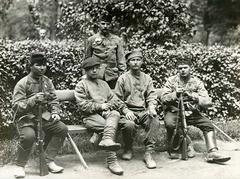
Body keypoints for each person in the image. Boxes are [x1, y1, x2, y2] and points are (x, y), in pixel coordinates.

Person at [161, 58, 231, 163]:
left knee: (207, 124)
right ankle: (188, 144)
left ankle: (212, 152)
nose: (183, 70)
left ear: (190, 68)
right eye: (180, 68)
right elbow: (163, 98)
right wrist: (175, 94)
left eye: (185, 67)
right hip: (175, 111)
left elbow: (207, 102)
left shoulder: (197, 81)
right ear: (177, 69)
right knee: (170, 123)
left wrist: (193, 96)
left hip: (191, 112)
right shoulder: (171, 81)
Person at [12, 52, 68, 178]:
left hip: (42, 116)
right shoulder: (23, 83)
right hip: (25, 118)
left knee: (62, 128)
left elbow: (54, 99)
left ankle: (49, 160)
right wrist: (33, 100)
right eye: (38, 65)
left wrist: (55, 112)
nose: (42, 68)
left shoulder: (47, 82)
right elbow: (16, 106)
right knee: (28, 136)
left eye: (44, 65)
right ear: (31, 66)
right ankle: (20, 166)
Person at [74, 56, 124, 175]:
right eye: (91, 69)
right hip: (90, 117)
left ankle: (105, 139)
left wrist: (108, 107)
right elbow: (83, 106)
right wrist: (101, 107)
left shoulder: (103, 84)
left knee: (115, 114)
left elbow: (114, 99)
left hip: (105, 115)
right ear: (85, 70)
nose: (95, 71)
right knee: (108, 126)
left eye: (97, 68)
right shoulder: (81, 85)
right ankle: (112, 161)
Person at [114, 49, 160, 169]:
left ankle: (149, 153)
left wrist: (151, 106)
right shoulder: (122, 78)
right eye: (132, 60)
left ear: (142, 62)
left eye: (138, 60)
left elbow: (151, 95)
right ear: (128, 63)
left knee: (154, 120)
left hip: (143, 111)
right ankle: (128, 147)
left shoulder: (147, 78)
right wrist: (125, 111)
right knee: (129, 124)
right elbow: (116, 99)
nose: (135, 62)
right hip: (128, 111)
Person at [86, 13, 126, 89]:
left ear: (111, 25)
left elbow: (121, 59)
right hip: (96, 74)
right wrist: (86, 75)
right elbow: (87, 59)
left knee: (112, 96)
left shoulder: (117, 40)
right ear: (98, 24)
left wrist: (122, 75)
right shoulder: (91, 40)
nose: (105, 26)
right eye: (103, 24)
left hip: (112, 75)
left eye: (108, 24)